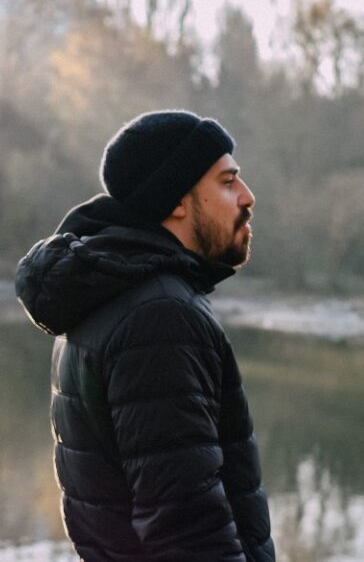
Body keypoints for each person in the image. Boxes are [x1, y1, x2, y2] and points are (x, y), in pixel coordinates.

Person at [15, 110, 275, 561]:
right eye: (228, 182)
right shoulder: (160, 316)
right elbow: (188, 530)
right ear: (176, 200)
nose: (248, 197)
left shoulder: (105, 296)